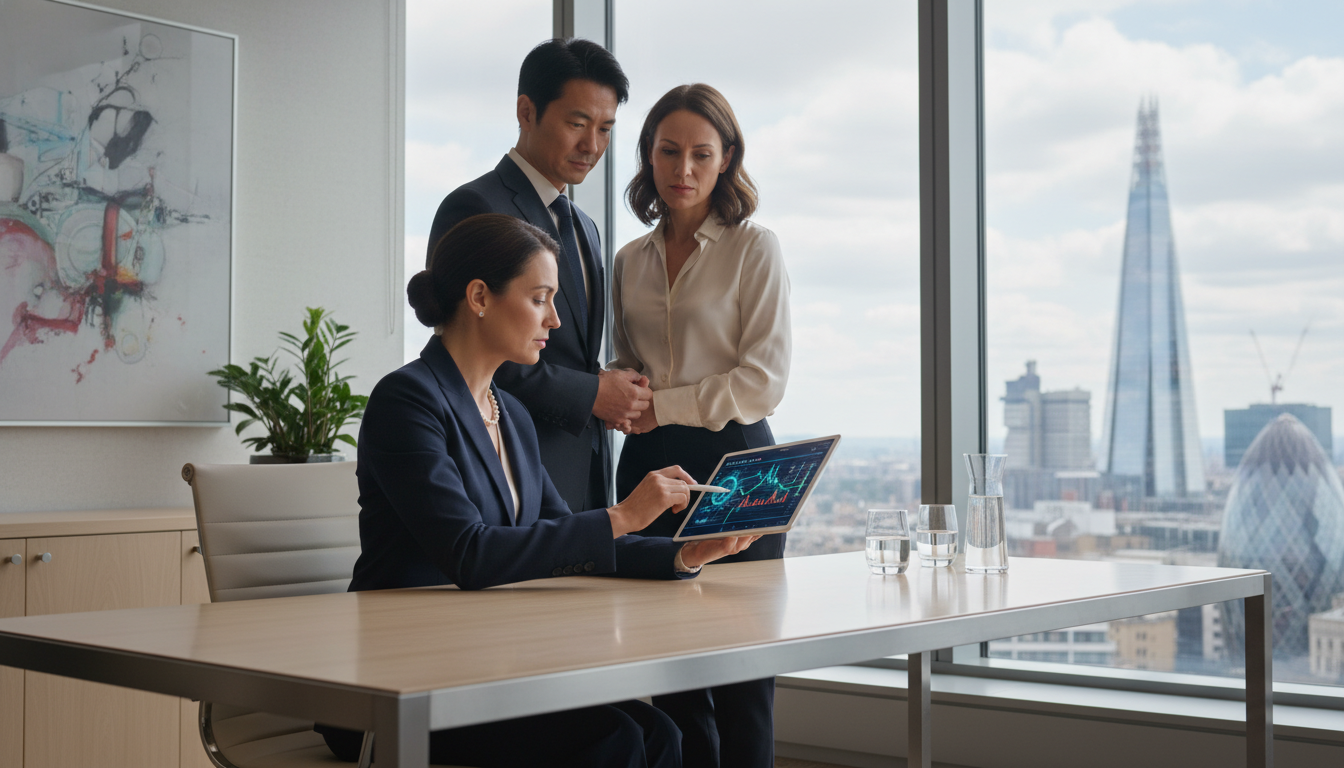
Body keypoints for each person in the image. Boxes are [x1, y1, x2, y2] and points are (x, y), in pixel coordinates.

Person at [317, 213, 758, 766]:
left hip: (485, 666)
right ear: (480, 296)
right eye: (540, 297)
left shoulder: (513, 415)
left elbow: (564, 541)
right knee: (615, 741)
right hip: (398, 684)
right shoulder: (407, 402)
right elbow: (469, 554)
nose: (553, 317)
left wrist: (683, 553)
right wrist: (622, 515)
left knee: (658, 733)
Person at [609, 84, 791, 768]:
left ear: (726, 160)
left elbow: (763, 382)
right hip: (648, 464)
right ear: (649, 157)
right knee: (672, 667)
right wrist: (627, 392)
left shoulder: (754, 249)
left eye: (700, 154)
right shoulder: (628, 259)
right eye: (668, 151)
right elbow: (629, 363)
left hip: (741, 465)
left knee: (745, 674)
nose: (682, 169)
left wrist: (663, 405)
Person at [426, 38, 647, 514]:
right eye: (577, 124)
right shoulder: (475, 207)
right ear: (527, 111)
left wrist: (609, 387)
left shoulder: (585, 227)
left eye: (606, 129)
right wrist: (592, 393)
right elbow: (469, 352)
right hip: (507, 474)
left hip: (586, 476)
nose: (593, 145)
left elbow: (568, 351)